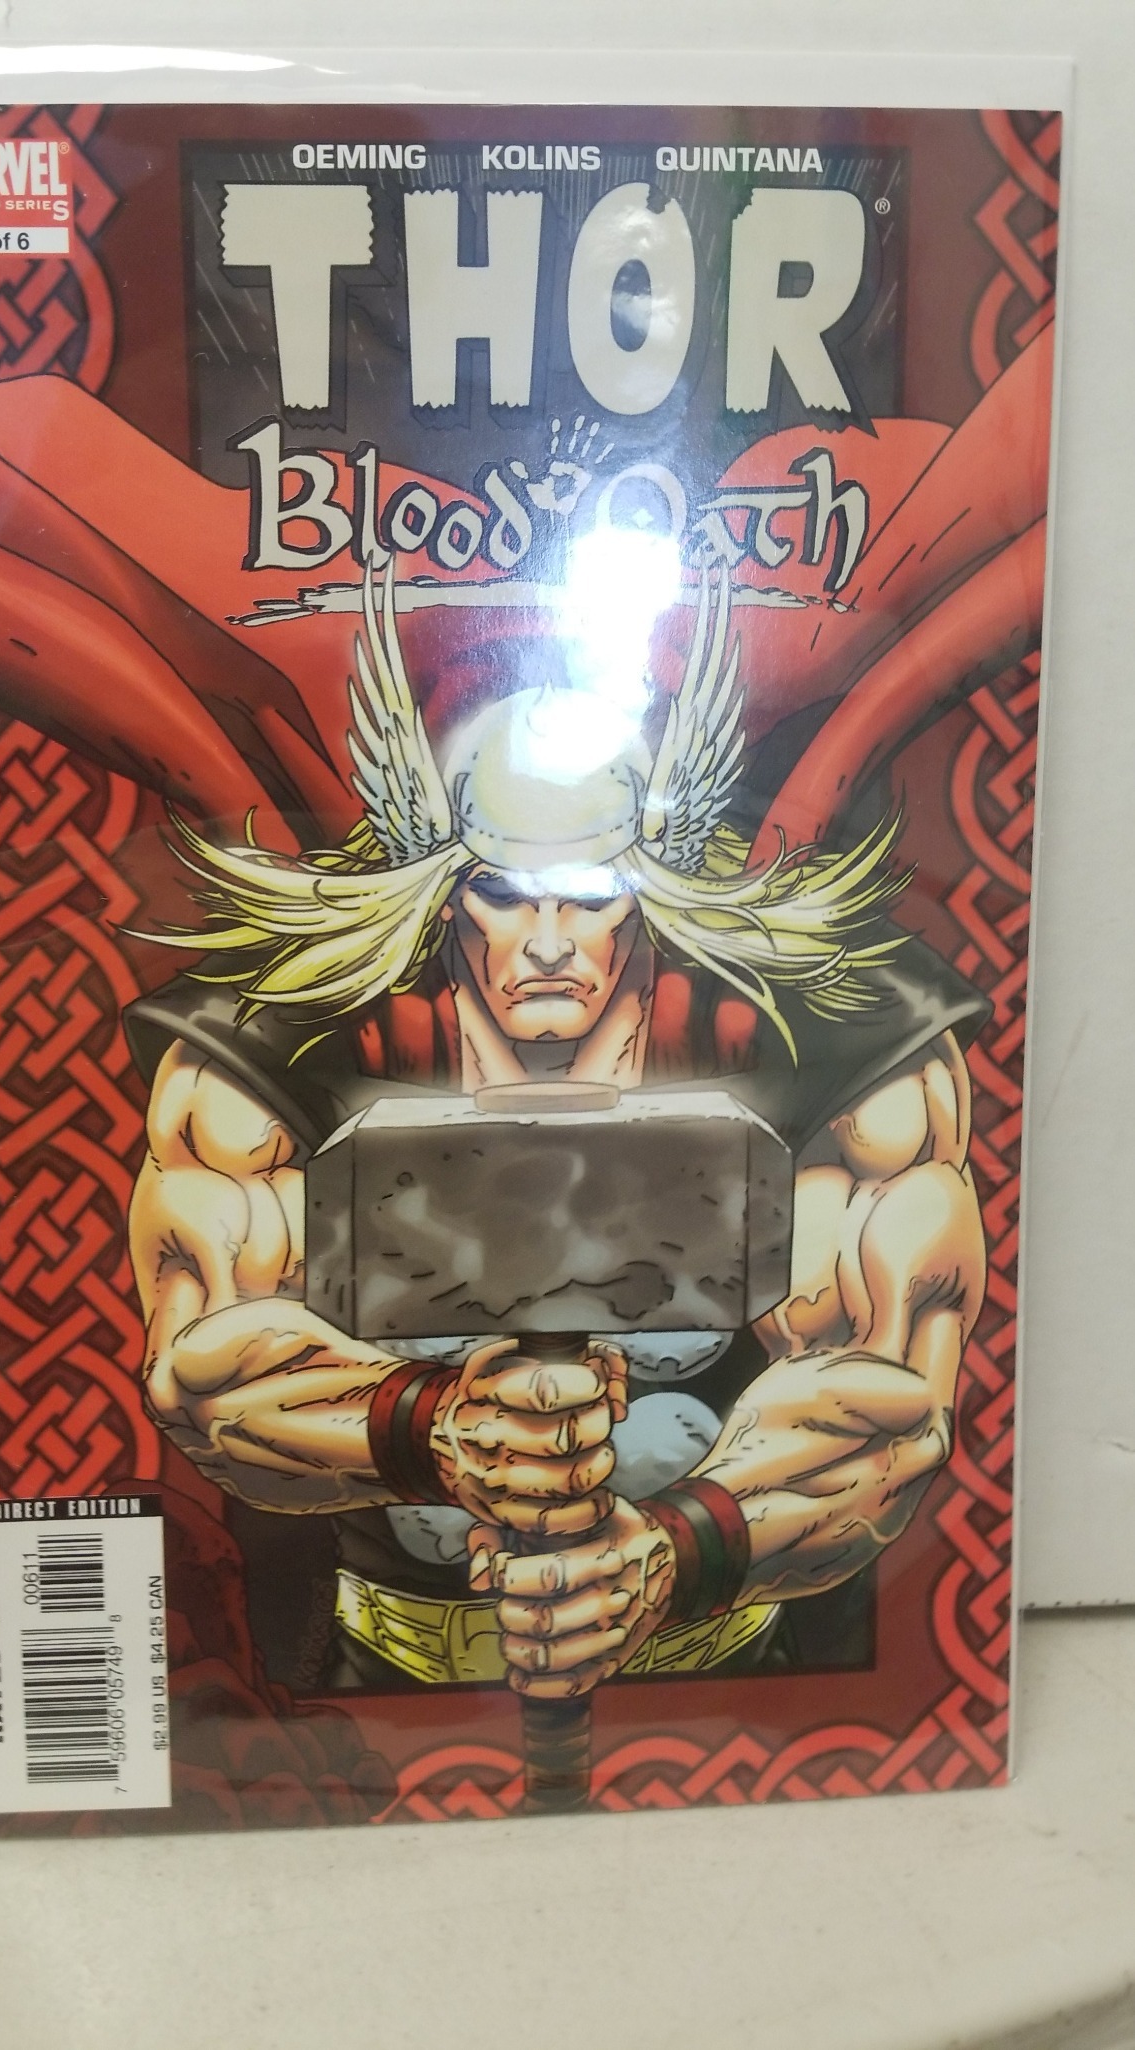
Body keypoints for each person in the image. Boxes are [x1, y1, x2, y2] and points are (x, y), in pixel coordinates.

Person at [125, 565, 987, 1700]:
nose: (543, 942)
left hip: (724, 1667)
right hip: (387, 1659)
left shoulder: (822, 1037)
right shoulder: (287, 1038)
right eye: (504, 894)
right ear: (448, 887)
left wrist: (672, 1554)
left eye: (587, 896)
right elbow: (203, 1366)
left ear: (646, 884)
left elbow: (892, 1397)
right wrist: (429, 1426)